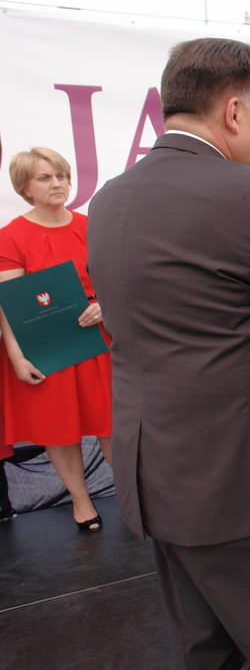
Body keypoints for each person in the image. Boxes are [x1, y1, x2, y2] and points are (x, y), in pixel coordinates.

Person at [87, 38, 250, 669]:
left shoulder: (108, 199)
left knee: (206, 650)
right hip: (246, 479)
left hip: (158, 473)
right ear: (234, 112)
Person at [0, 147, 112, 531]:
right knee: (59, 430)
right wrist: (17, 357)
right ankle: (81, 501)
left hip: (99, 341)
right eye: (45, 178)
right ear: (24, 187)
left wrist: (105, 305)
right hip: (47, 346)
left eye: (62, 175)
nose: (58, 183)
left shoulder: (91, 225)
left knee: (114, 423)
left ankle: (138, 498)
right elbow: (10, 305)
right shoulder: (10, 237)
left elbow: (115, 279)